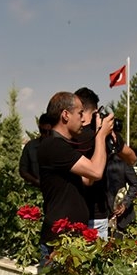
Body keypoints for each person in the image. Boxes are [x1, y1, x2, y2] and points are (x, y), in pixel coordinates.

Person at [37, 91, 114, 258]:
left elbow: (87, 179)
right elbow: (96, 171)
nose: (83, 119)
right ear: (65, 115)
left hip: (70, 237)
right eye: (80, 113)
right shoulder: (54, 145)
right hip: (60, 239)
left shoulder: (61, 145)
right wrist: (101, 136)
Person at [73, 87, 136, 238]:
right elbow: (132, 158)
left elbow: (131, 158)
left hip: (83, 213)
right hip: (93, 214)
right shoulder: (97, 136)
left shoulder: (71, 136)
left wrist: (114, 142)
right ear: (96, 112)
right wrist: (105, 137)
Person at [106, 155, 137, 234]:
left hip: (121, 219)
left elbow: (135, 184)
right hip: (100, 216)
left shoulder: (122, 161)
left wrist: (124, 203)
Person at [19, 114, 52, 187]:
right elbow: (23, 171)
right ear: (39, 128)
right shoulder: (30, 147)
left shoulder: (60, 146)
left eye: (50, 132)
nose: (47, 135)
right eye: (44, 131)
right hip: (36, 191)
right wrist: (35, 181)